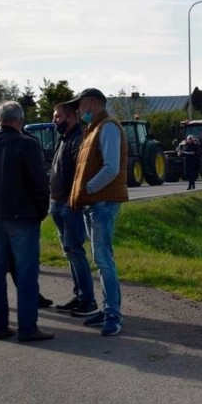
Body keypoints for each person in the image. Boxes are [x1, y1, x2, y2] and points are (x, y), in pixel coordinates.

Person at [0, 101, 53, 342]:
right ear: (19, 119)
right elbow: (40, 182)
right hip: (22, 216)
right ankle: (27, 328)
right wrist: (41, 211)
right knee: (26, 273)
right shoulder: (27, 144)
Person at [68, 88, 128, 337]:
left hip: (102, 202)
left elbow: (111, 168)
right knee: (100, 259)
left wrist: (88, 189)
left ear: (92, 102)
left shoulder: (108, 127)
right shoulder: (93, 128)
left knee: (103, 259)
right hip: (93, 203)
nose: (79, 110)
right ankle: (108, 308)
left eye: (81, 105)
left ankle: (113, 313)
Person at [49, 102, 99, 317]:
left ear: (70, 117)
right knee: (69, 252)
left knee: (75, 250)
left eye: (57, 117)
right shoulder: (64, 138)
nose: (54, 121)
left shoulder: (78, 138)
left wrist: (74, 198)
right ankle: (79, 295)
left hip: (70, 205)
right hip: (58, 202)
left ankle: (87, 300)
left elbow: (81, 171)